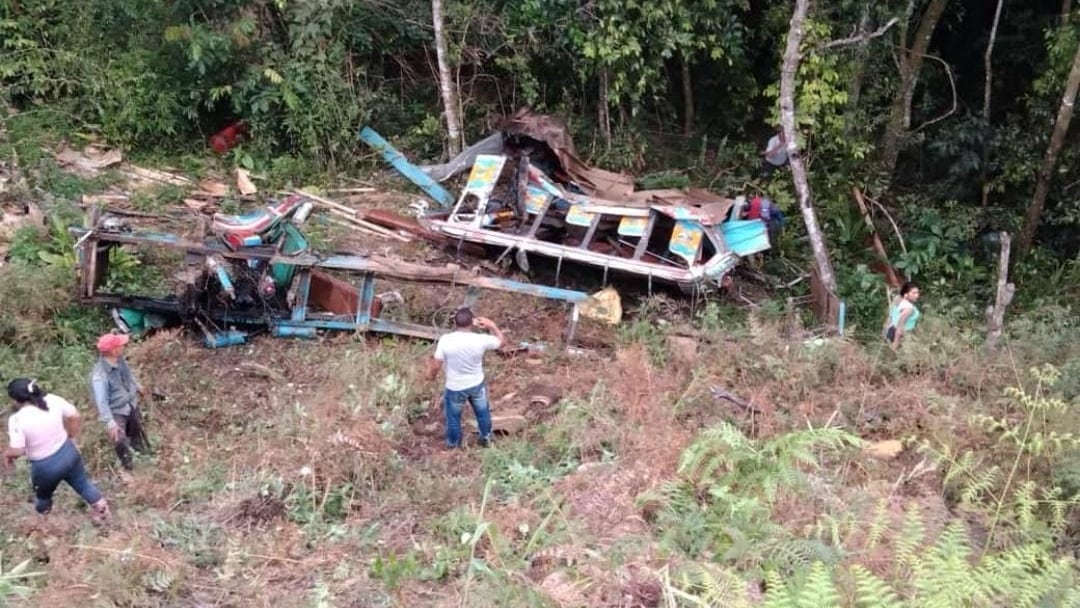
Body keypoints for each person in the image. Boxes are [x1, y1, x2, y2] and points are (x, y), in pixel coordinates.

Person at [4, 378, 110, 522]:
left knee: (43, 497)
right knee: (83, 484)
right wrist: (72, 437)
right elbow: (75, 416)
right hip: (68, 452)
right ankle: (104, 513)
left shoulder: (17, 419)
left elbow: (18, 450)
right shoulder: (52, 400)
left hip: (45, 466)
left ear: (16, 400)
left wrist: (6, 454)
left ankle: (46, 523)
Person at [427, 308, 505, 448]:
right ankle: (485, 439)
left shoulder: (446, 340)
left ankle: (453, 445)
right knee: (482, 413)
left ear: (455, 323)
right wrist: (491, 325)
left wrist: (431, 377)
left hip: (455, 386)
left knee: (453, 418)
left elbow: (436, 365)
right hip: (476, 384)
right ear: (472, 322)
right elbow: (501, 342)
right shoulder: (481, 339)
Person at [90, 333, 149, 471]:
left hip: (130, 404)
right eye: (120, 345)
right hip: (116, 411)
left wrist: (138, 385)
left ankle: (144, 455)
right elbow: (101, 402)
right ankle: (128, 467)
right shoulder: (100, 375)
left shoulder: (119, 359)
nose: (123, 346)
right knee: (120, 440)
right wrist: (111, 423)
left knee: (136, 430)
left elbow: (129, 374)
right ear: (113, 350)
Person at [883, 282, 921, 349]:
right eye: (913, 293)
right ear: (906, 294)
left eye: (917, 293)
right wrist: (895, 343)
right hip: (900, 335)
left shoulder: (898, 300)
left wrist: (885, 329)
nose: (916, 295)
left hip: (891, 331)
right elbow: (900, 326)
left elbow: (891, 316)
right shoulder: (909, 308)